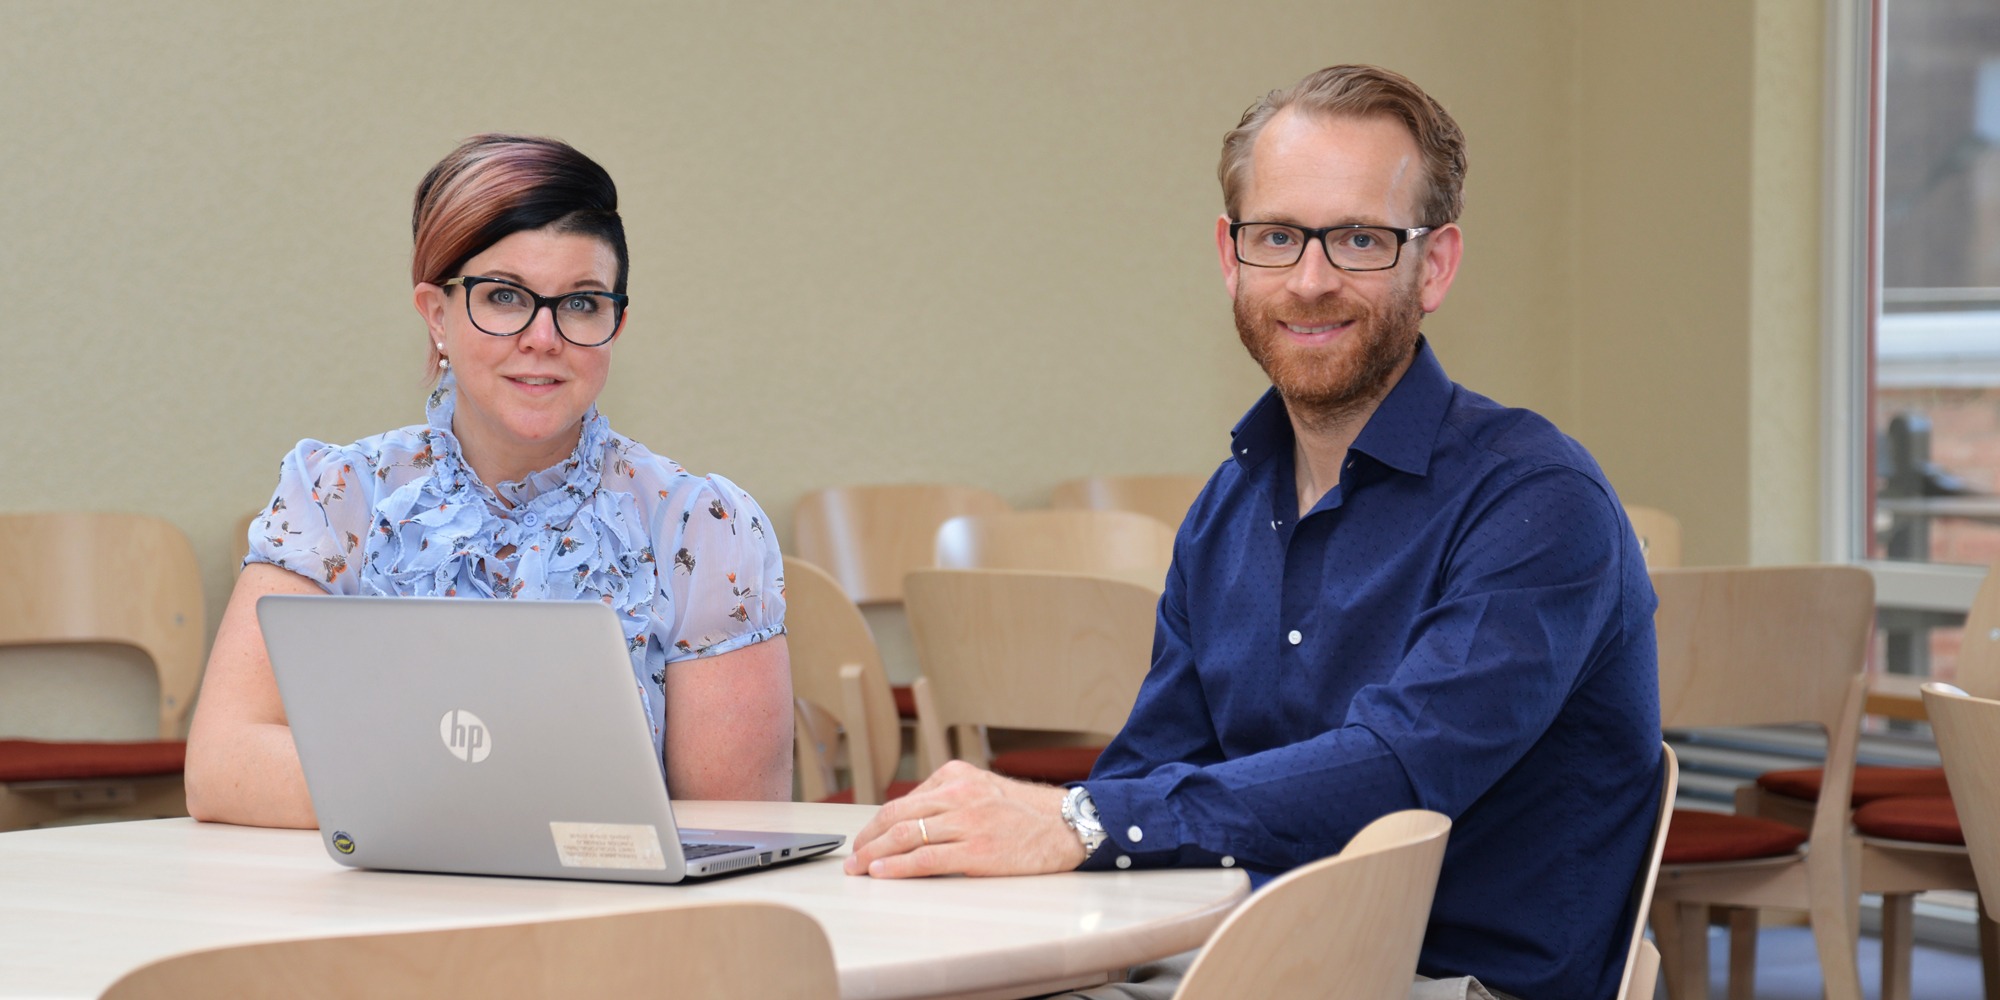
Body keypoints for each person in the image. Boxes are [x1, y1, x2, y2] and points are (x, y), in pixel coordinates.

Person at [843, 65, 1661, 1000]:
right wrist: (1019, 837)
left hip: (1444, 983)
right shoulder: (1227, 509)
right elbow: (1153, 771)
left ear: (1433, 265)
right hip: (1240, 960)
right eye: (1278, 236)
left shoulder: (1537, 502)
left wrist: (1077, 821)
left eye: (1359, 238)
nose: (1310, 281)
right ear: (1231, 257)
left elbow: (1400, 773)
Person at [185, 135, 793, 828]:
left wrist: (415, 791)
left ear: (617, 323)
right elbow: (220, 768)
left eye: (583, 303)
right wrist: (497, 805)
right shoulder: (337, 496)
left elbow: (740, 829)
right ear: (436, 314)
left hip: (614, 928)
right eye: (504, 297)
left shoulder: (704, 527)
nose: (544, 337)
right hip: (378, 920)